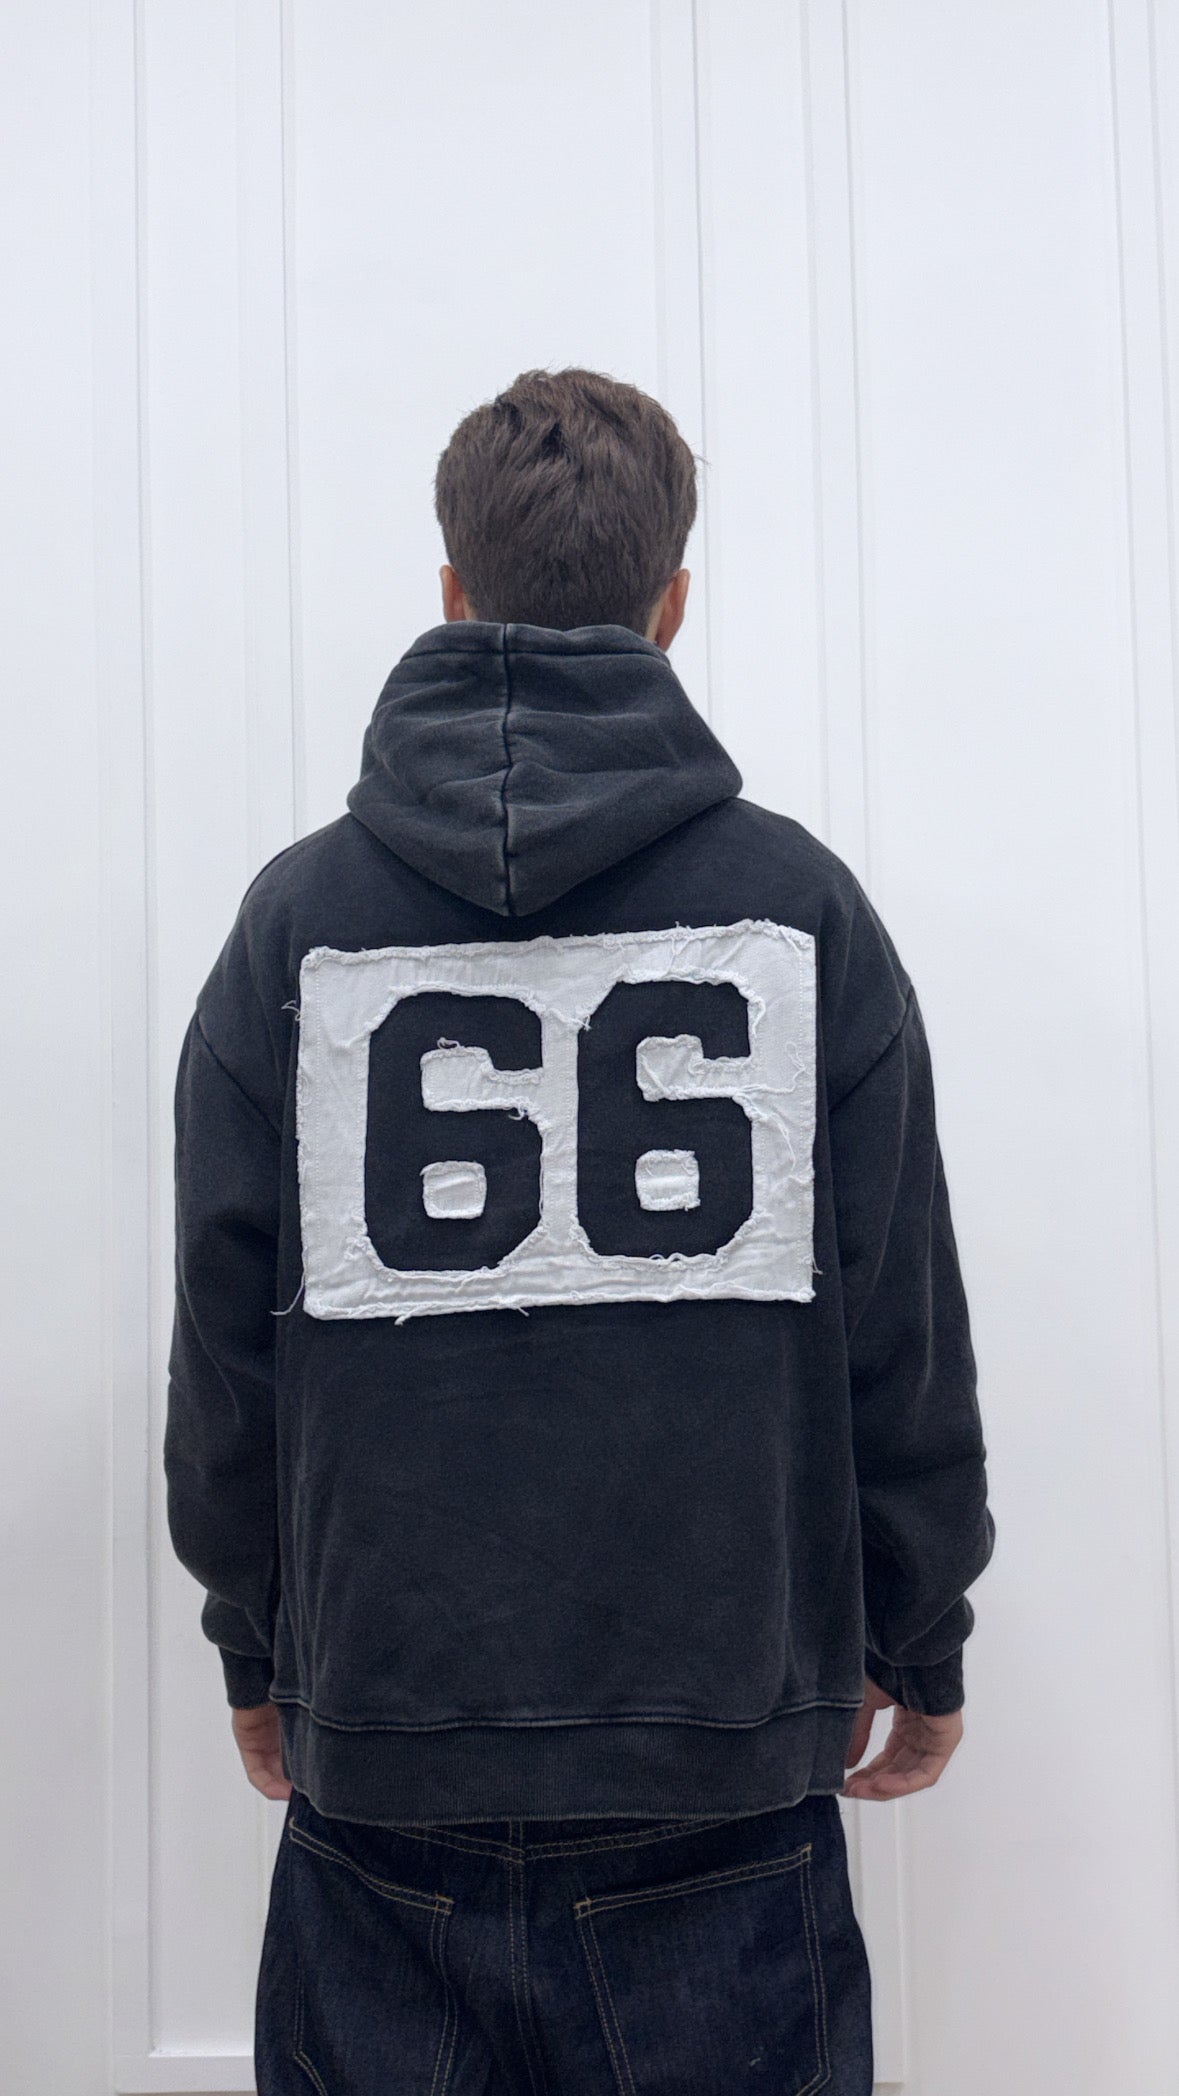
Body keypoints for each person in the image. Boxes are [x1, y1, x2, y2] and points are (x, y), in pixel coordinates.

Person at [165, 366, 995, 2094]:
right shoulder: (799, 909)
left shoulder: (298, 924)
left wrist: (256, 1648)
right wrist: (921, 1637)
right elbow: (898, 1324)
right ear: (673, 604)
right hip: (721, 1771)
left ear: (451, 590)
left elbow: (225, 1354)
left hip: (386, 1767)